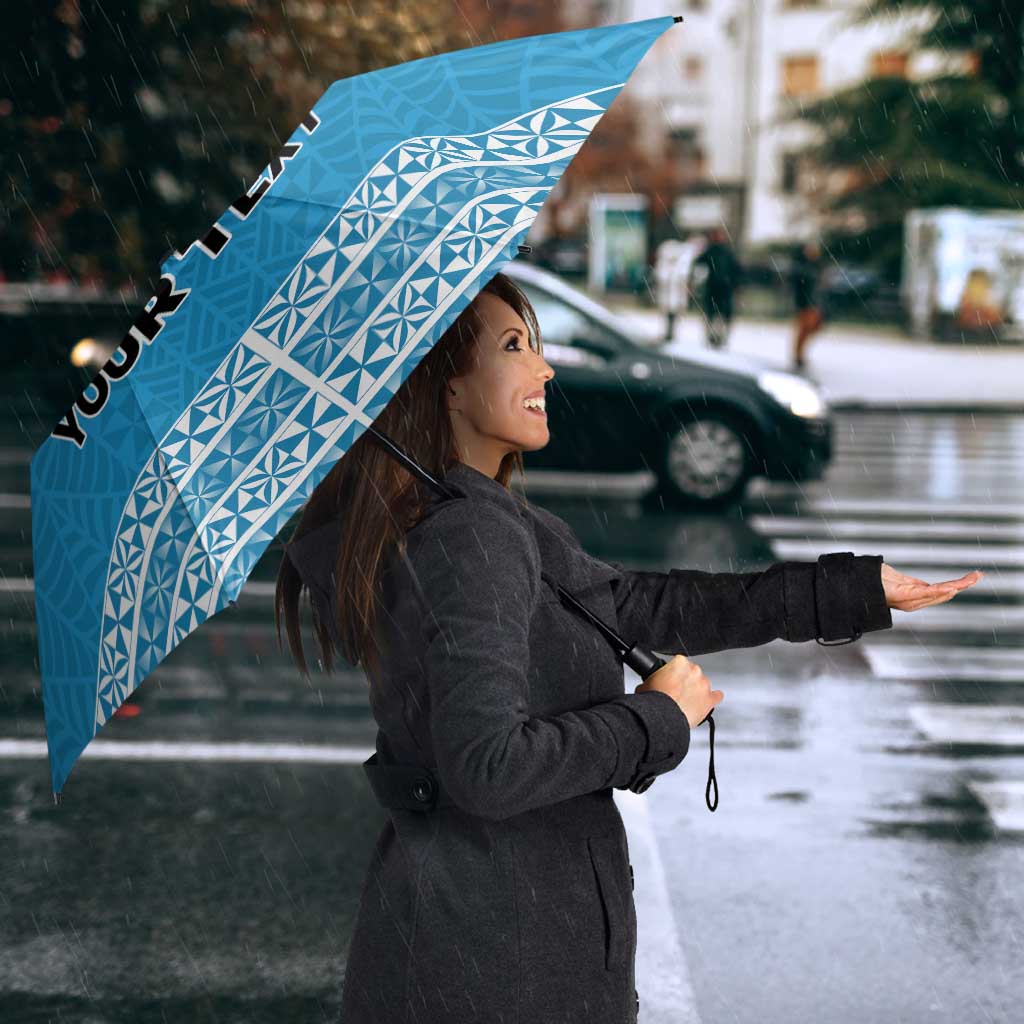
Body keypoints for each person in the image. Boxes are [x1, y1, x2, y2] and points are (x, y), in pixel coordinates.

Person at [276, 271, 975, 1024]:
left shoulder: (476, 517)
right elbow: (487, 768)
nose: (544, 368)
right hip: (500, 963)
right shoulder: (469, 536)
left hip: (481, 941)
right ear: (446, 386)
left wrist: (850, 591)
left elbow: (639, 605)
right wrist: (656, 719)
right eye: (514, 346)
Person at [692, 226, 742, 349]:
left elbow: (736, 270)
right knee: (713, 314)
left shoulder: (725, 252)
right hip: (715, 288)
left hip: (723, 288)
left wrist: (735, 284)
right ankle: (713, 337)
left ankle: (719, 337)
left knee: (720, 315)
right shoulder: (712, 251)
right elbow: (698, 264)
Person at [790, 239, 826, 370]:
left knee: (812, 328)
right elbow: (799, 286)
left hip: (814, 303)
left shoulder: (817, 266)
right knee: (804, 329)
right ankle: (798, 355)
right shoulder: (802, 267)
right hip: (805, 303)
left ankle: (799, 354)